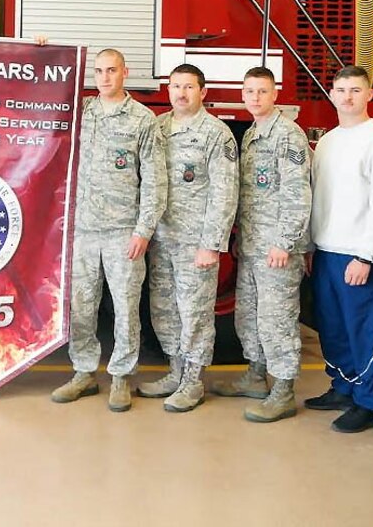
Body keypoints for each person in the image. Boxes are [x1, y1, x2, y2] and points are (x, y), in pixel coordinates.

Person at [50, 48, 166, 412]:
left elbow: (155, 181)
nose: (104, 77)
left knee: (126, 308)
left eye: (111, 70)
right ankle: (83, 372)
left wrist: (143, 230)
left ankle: (120, 376)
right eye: (99, 71)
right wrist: (41, 51)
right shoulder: (81, 112)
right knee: (81, 306)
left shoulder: (143, 120)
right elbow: (37, 96)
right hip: (83, 231)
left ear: (125, 73)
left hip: (122, 232)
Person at [305, 65, 373, 433]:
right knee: (333, 328)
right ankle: (343, 387)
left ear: (369, 95)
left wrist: (366, 253)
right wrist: (312, 245)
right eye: (341, 89)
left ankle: (366, 403)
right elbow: (319, 198)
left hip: (360, 254)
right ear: (331, 94)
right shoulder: (328, 141)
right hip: (328, 249)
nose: (347, 97)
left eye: (355, 90)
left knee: (364, 329)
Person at [212, 66, 310, 423]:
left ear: (275, 94)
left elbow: (297, 193)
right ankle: (256, 376)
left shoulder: (288, 136)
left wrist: (284, 242)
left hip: (277, 250)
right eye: (249, 91)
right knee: (249, 315)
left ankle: (283, 390)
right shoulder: (253, 135)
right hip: (253, 245)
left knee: (277, 319)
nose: (254, 98)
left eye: (262, 91)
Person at [139, 64, 238, 413]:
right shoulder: (158, 128)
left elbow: (225, 193)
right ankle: (175, 372)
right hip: (163, 238)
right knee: (164, 308)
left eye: (189, 87)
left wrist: (212, 243)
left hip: (195, 241)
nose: (181, 93)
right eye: (175, 86)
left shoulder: (216, 134)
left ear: (203, 92)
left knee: (194, 311)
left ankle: (193, 381)